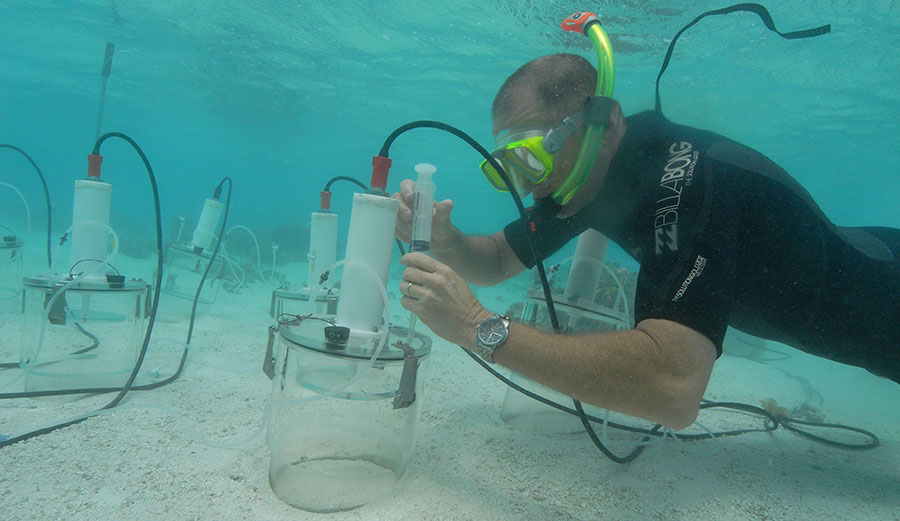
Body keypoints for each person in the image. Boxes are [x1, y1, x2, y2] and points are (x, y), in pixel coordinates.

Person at [392, 53, 900, 430]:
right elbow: (498, 259)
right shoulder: (589, 178)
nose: (526, 186)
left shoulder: (688, 180)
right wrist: (446, 239)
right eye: (507, 168)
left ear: (604, 122)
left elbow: (672, 388)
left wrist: (476, 326)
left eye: (532, 158)